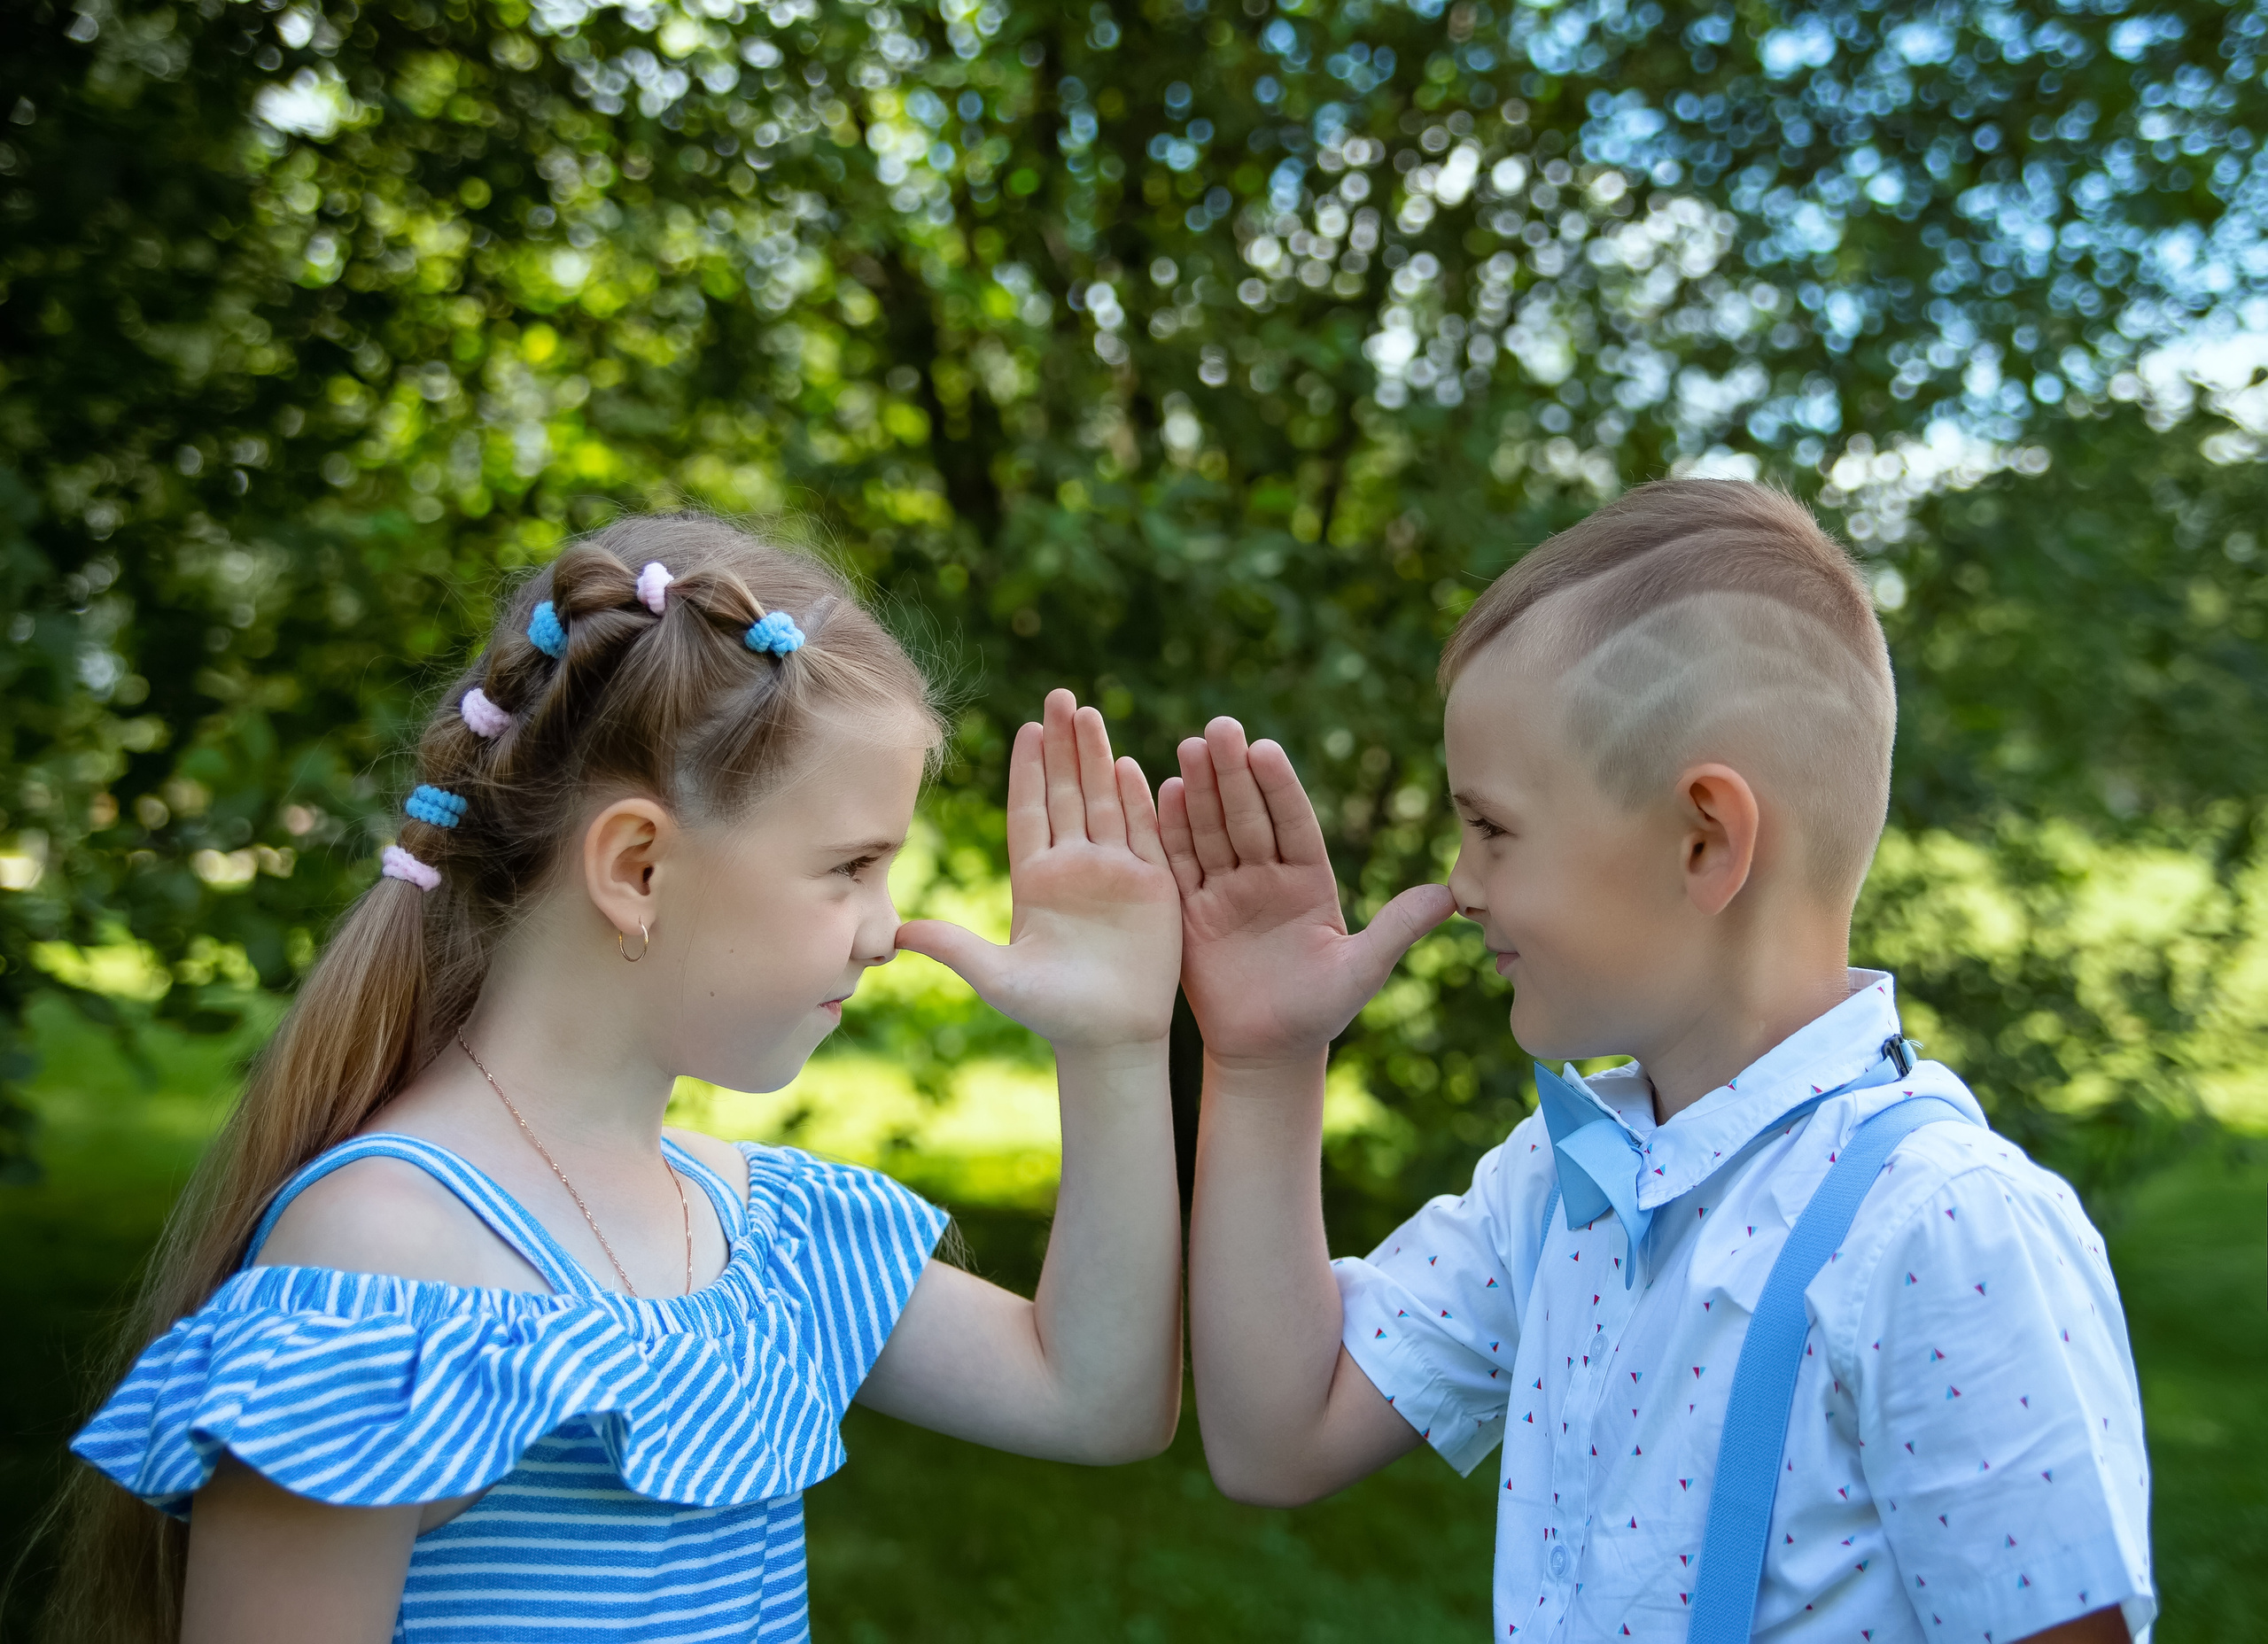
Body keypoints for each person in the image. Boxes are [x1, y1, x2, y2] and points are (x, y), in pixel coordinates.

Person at [55, 516, 1186, 1643]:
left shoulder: (760, 1237)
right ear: (638, 866)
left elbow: (1098, 1399)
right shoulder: (384, 1261)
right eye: (851, 866)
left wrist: (1117, 1044)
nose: (885, 931)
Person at [1166, 479, 2153, 1643]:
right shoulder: (1566, 1181)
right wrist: (1268, 1059)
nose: (1461, 885)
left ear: (1703, 842)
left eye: (1492, 828)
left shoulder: (1942, 1231)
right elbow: (1275, 1439)